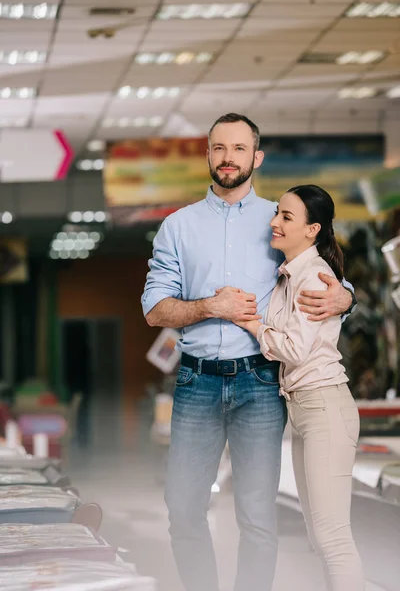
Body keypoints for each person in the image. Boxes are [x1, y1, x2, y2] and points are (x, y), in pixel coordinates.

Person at [141, 114, 355, 591]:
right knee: (183, 507)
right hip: (196, 382)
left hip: (261, 382)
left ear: (256, 157)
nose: (228, 158)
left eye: (239, 149)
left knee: (258, 514)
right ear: (209, 155)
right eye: (219, 148)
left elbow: (328, 276)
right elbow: (155, 310)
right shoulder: (178, 226)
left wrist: (346, 296)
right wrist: (209, 307)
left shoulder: (280, 219)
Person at [229, 184, 364, 591]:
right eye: (277, 214)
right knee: (318, 536)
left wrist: (251, 323)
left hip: (325, 407)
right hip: (305, 411)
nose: (275, 222)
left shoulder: (313, 277)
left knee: (333, 538)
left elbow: (293, 348)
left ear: (312, 229)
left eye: (287, 217)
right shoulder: (289, 275)